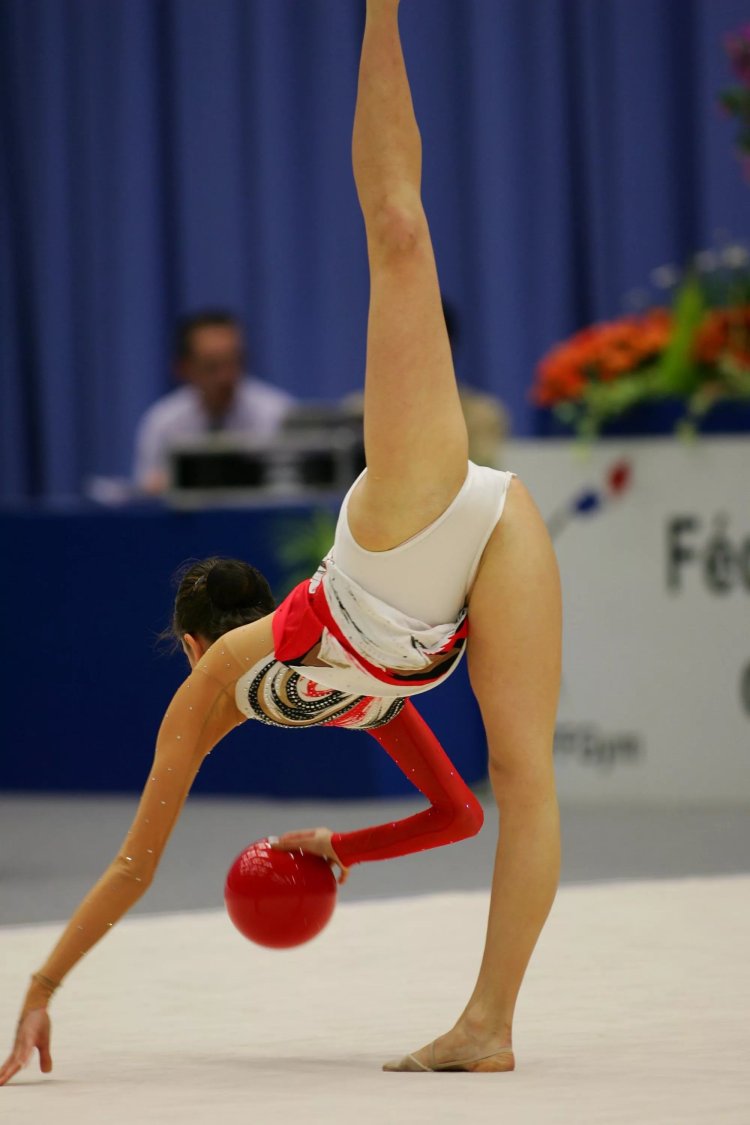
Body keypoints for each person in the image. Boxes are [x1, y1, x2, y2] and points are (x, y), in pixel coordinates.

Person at [1, 0, 561, 1082]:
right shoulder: (352, 701)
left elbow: (130, 863)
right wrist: (340, 847)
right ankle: (488, 1026)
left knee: (399, 237)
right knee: (520, 782)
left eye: (192, 653)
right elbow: (452, 814)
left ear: (191, 642)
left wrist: (40, 986)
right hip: (485, 553)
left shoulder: (226, 673)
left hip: (395, 538)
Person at [133, 310, 295, 494]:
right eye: (212, 366)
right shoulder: (162, 423)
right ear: (184, 369)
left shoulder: (278, 414)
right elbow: (146, 497)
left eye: (233, 362)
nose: (225, 377)